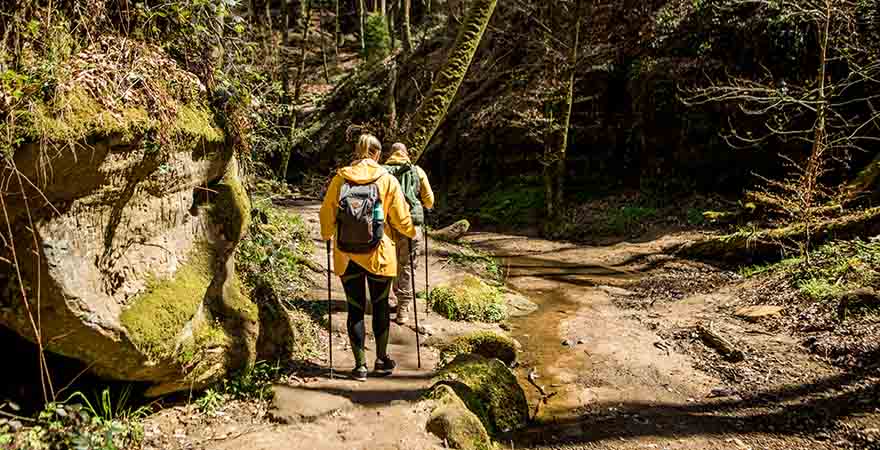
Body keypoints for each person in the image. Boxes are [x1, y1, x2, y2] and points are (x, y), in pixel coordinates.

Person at [320, 134, 417, 381]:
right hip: (379, 255)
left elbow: (326, 214)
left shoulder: (340, 178)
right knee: (380, 306)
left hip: (347, 254)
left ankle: (359, 366)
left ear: (357, 151)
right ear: (377, 154)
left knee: (355, 309)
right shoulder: (387, 180)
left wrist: (327, 234)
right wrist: (412, 232)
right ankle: (381, 360)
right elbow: (401, 218)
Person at [382, 142, 435, 325]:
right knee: (407, 265)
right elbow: (429, 200)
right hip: (411, 225)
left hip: (387, 224)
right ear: (406, 154)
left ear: (390, 154)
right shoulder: (417, 171)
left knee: (386, 262)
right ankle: (402, 309)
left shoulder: (381, 171)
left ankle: (383, 301)